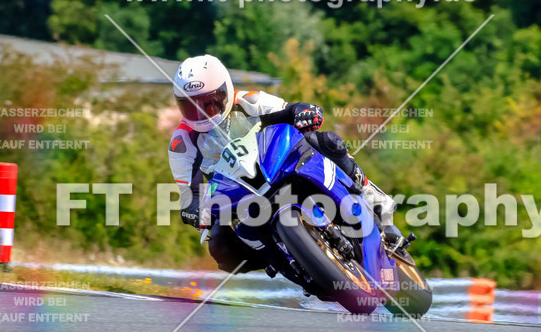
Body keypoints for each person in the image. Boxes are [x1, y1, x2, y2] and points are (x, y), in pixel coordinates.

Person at [167, 54, 398, 272]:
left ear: (225, 91)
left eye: (209, 103)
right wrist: (193, 211)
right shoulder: (182, 143)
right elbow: (190, 193)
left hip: (278, 167)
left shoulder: (248, 101)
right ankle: (279, 259)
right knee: (220, 247)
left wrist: (304, 111)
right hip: (238, 198)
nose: (202, 113)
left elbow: (289, 111)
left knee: (324, 140)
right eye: (190, 106)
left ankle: (368, 191)